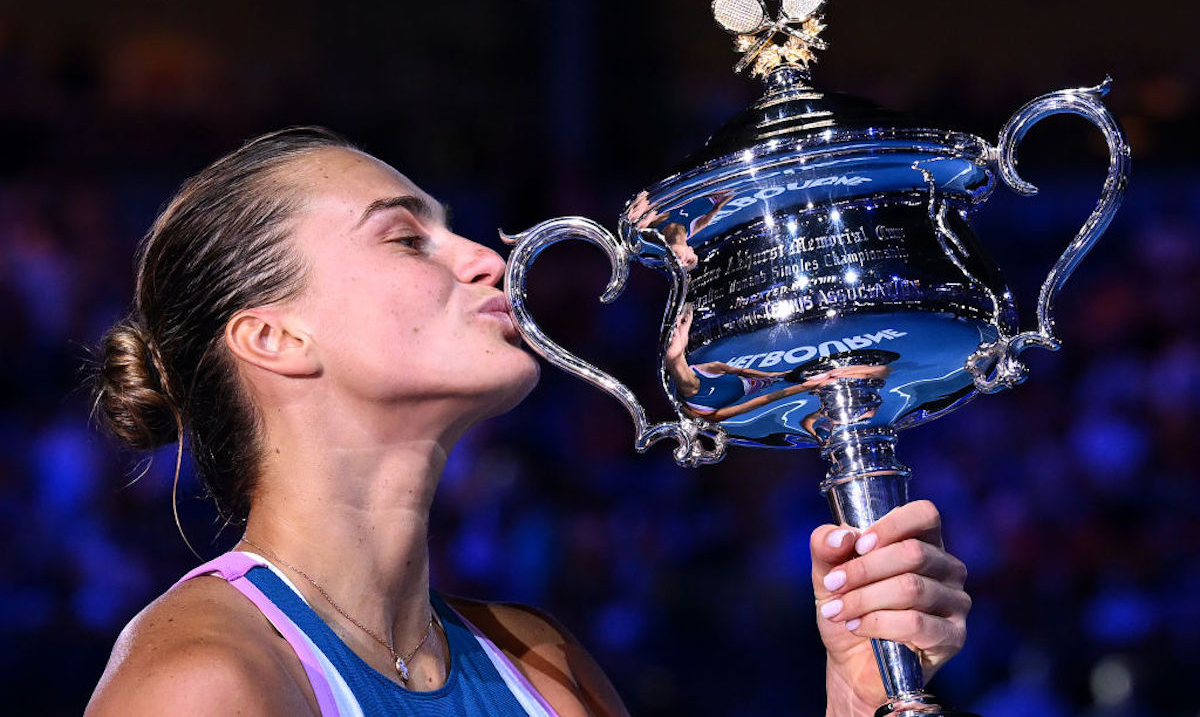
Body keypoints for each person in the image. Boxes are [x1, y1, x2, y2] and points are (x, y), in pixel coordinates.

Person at [86, 128, 970, 716]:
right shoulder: (204, 682)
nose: (489, 260)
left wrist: (856, 698)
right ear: (275, 336)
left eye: (456, 231)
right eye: (406, 238)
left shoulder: (543, 663)